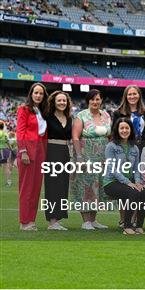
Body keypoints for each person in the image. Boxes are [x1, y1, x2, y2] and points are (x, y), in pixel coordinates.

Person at [71, 89, 112, 230]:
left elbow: (109, 136)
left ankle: (94, 220)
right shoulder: (81, 116)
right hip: (85, 156)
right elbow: (76, 137)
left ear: (101, 101)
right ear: (88, 101)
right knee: (85, 187)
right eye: (92, 99)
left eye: (98, 99)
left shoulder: (106, 115)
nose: (95, 102)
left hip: (102, 158)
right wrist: (79, 157)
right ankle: (85, 221)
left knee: (99, 187)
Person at [104, 118, 145, 235]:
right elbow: (112, 168)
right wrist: (128, 182)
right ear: (117, 130)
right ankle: (127, 226)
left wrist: (138, 182)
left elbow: (136, 169)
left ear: (131, 130)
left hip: (127, 182)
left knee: (144, 192)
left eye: (127, 128)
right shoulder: (111, 146)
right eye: (122, 128)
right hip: (111, 182)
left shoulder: (134, 148)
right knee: (133, 192)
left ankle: (139, 226)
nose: (124, 130)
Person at [16, 83, 48, 231]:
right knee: (26, 188)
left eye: (41, 93)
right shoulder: (24, 109)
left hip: (40, 151)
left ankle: (31, 220)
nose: (38, 95)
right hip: (27, 151)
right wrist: (23, 151)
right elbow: (20, 131)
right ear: (31, 94)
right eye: (36, 93)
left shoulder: (41, 111)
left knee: (36, 188)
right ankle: (24, 221)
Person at [43, 91, 72, 230]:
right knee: (52, 186)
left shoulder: (69, 118)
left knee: (63, 186)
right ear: (54, 102)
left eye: (64, 101)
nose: (62, 103)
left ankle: (58, 219)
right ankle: (52, 221)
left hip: (65, 153)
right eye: (59, 100)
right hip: (51, 152)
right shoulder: (47, 117)